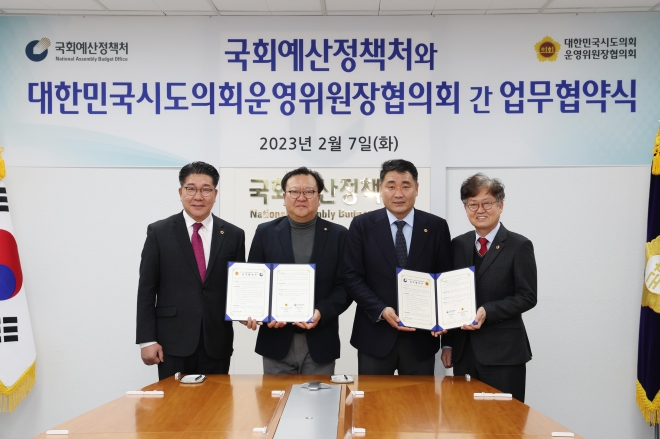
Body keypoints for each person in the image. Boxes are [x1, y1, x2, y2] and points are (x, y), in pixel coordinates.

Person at [136, 161, 246, 380]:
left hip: (216, 342)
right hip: (172, 342)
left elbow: (239, 287)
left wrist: (247, 312)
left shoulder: (234, 235)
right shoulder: (159, 232)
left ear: (215, 194)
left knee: (216, 402)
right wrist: (147, 340)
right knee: (174, 402)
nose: (198, 196)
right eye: (191, 189)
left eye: (206, 190)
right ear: (181, 192)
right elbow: (147, 288)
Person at [344, 159, 452, 375]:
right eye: (391, 186)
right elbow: (351, 276)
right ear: (381, 189)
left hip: (421, 339)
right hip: (374, 337)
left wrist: (447, 338)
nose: (398, 194)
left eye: (405, 186)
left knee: (419, 398)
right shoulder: (362, 225)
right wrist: (381, 310)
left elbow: (445, 280)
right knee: (373, 398)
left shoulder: (436, 226)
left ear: (417, 188)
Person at [440, 173, 537, 402]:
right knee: (464, 418)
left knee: (505, 419)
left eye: (487, 203)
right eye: (472, 204)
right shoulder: (457, 244)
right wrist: (448, 344)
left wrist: (488, 311)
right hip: (464, 353)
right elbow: (449, 295)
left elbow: (527, 296)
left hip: (504, 354)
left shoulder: (519, 245)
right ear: (466, 208)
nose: (480, 210)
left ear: (500, 205)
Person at [244, 167, 350, 374]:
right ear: (284, 197)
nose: (301, 197)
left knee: (320, 396)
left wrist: (321, 312)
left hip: (320, 341)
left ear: (319, 198)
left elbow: (345, 286)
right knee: (275, 396)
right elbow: (254, 282)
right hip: (276, 341)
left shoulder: (338, 235)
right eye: (294, 191)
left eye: (309, 192)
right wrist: (263, 313)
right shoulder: (265, 232)